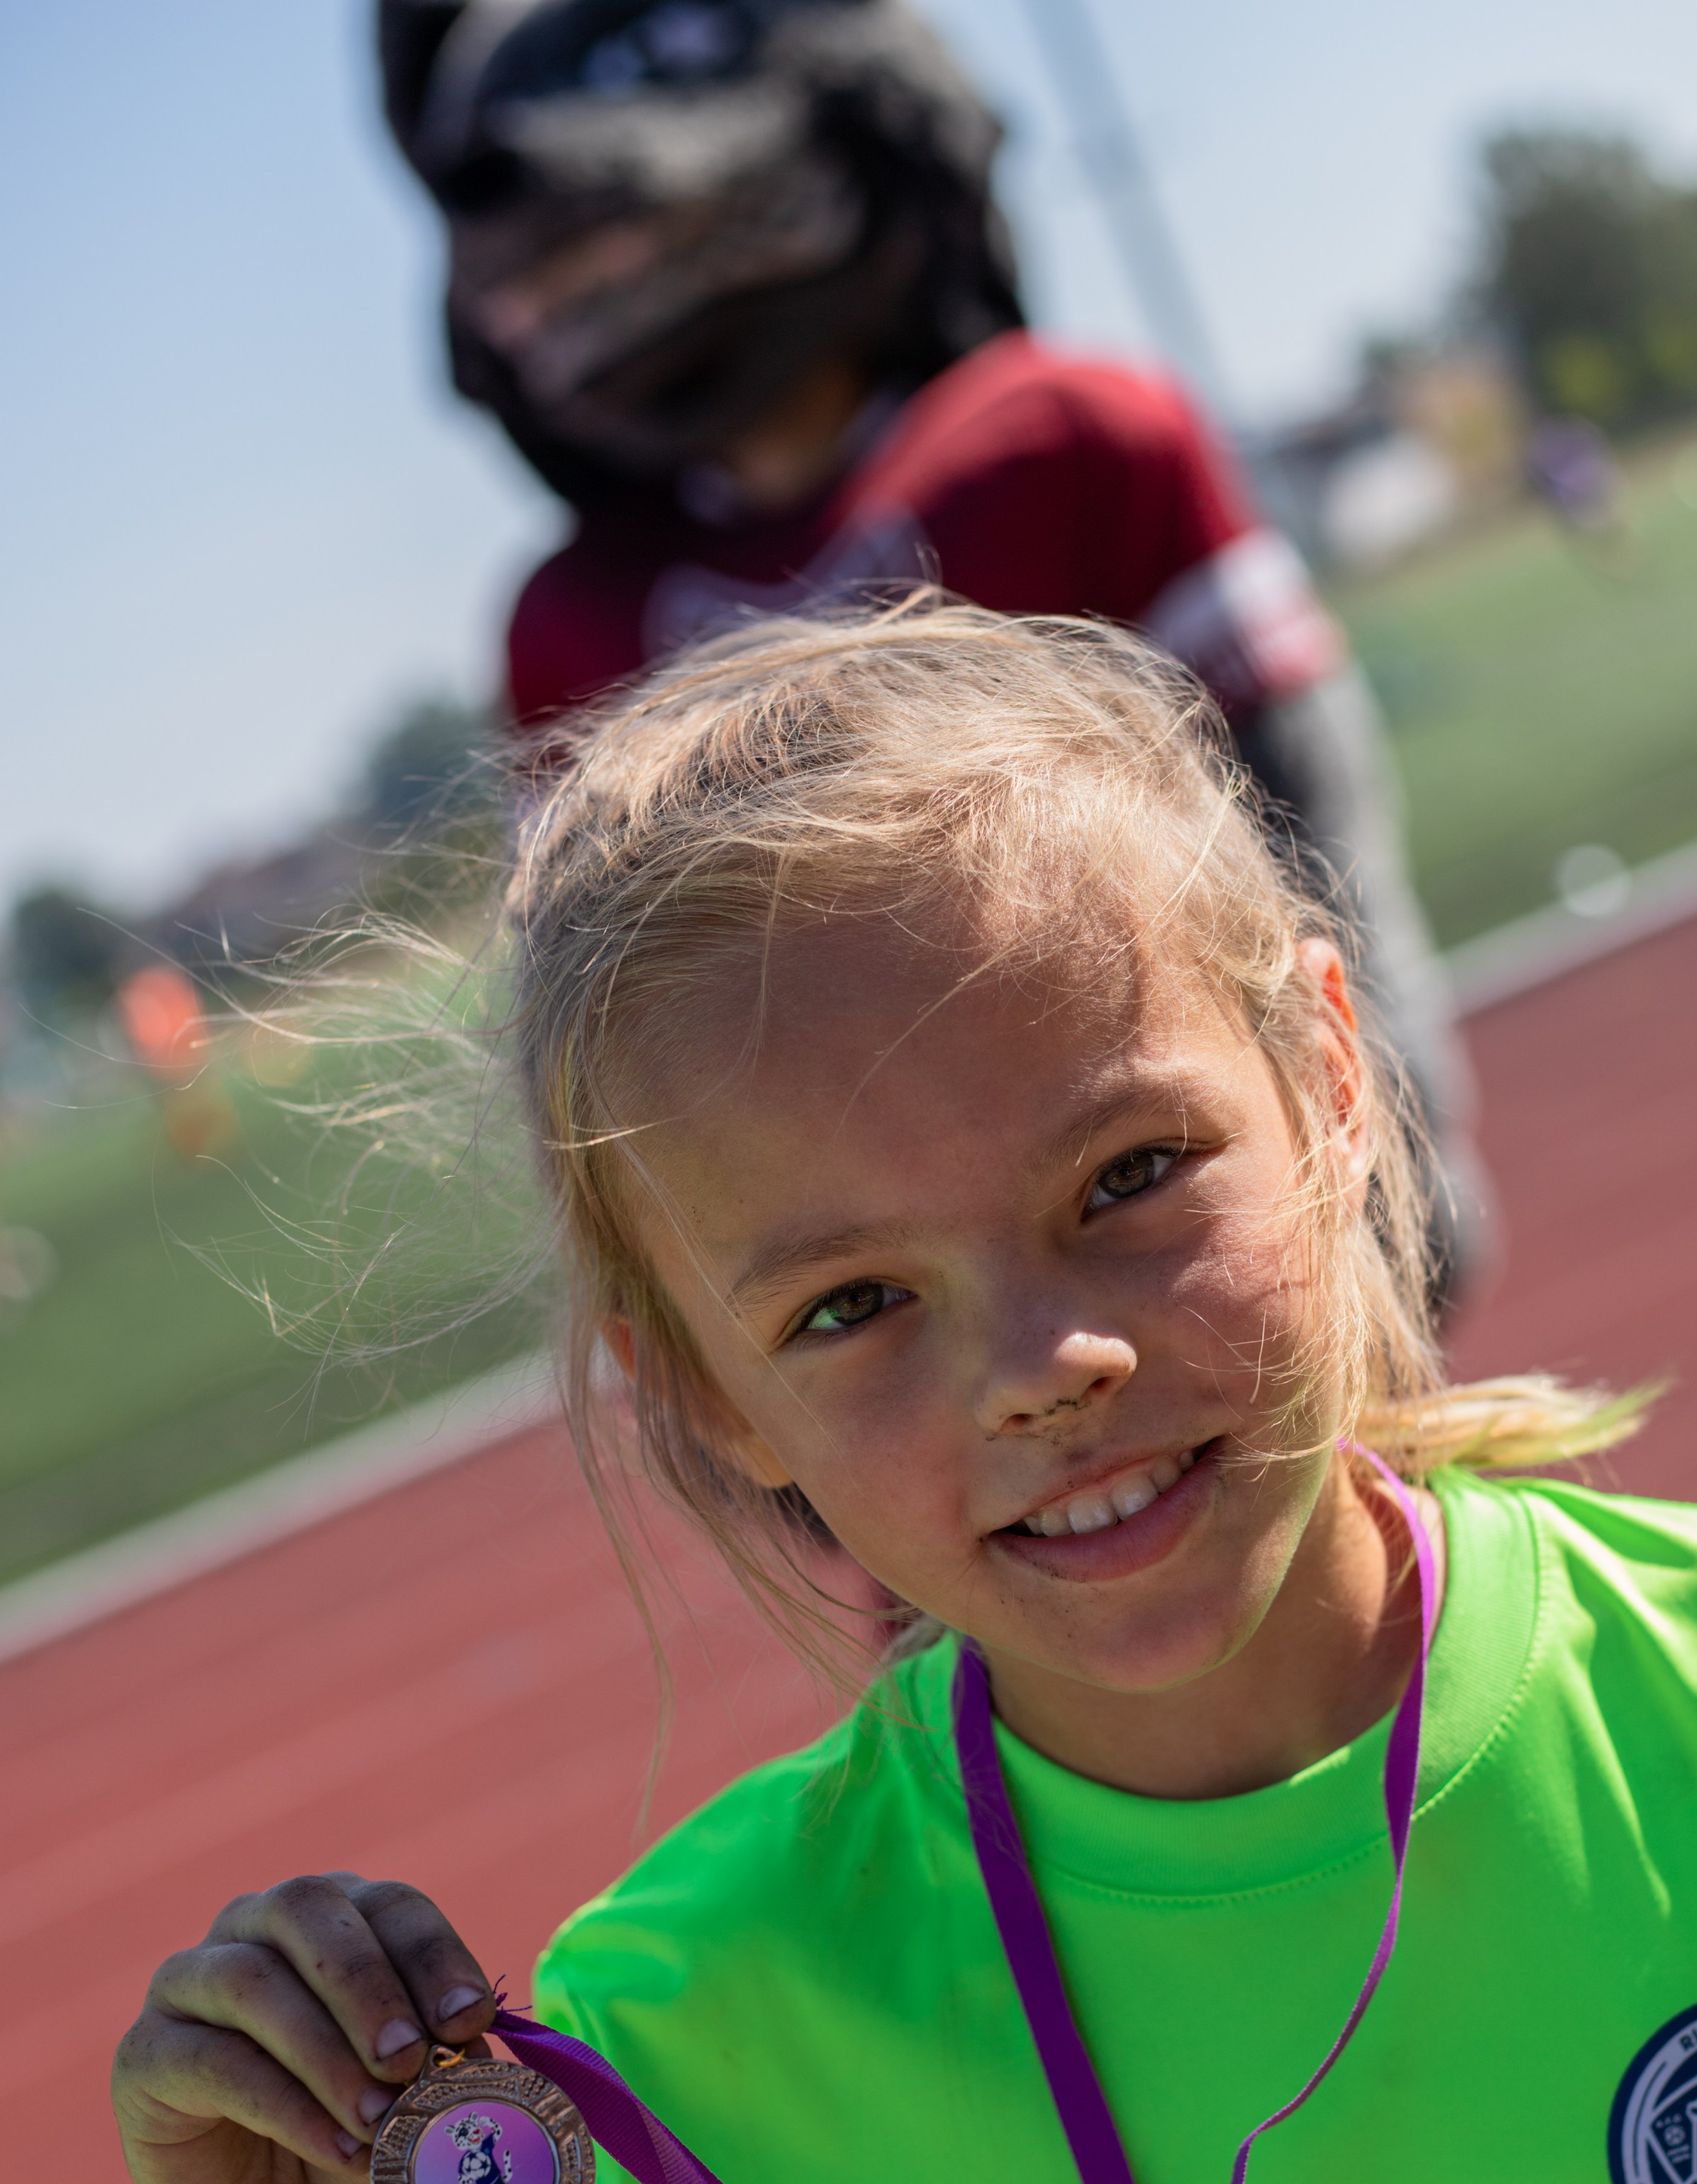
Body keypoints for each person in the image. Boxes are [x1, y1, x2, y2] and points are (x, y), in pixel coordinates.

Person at [116, 601, 1697, 2184]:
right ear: (702, 1394)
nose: (1038, 1362)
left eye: (1125, 1179)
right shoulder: (702, 2054)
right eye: (849, 1307)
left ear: (1330, 1074)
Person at [380, 0, 1489, 1305]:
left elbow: (1302, 813)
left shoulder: (1074, 437)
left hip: (1153, 1183)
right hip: (881, 1281)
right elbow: (609, 1048)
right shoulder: (572, 622)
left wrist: (1395, 1127)